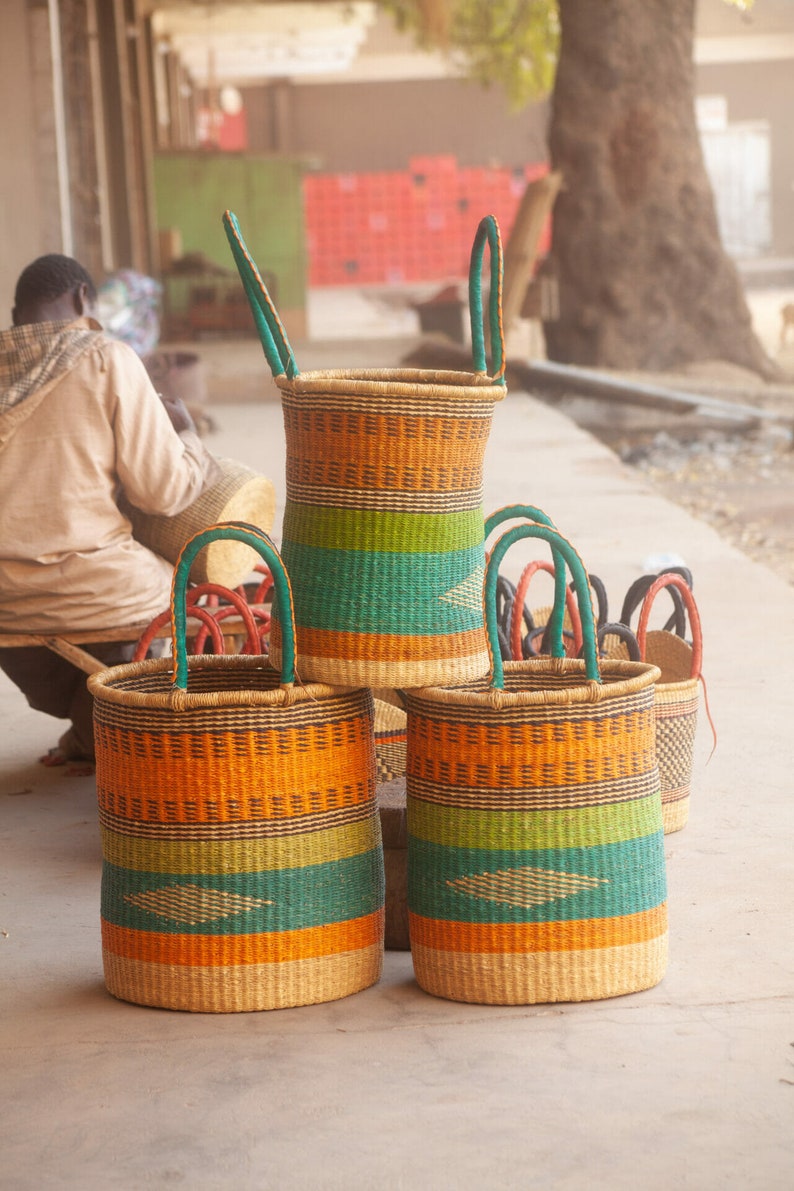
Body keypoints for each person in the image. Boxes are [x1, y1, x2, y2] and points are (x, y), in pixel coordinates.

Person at [0, 253, 222, 765]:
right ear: (83, 300)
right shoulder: (105, 358)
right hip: (94, 592)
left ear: (17, 312)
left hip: (7, 607)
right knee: (200, 593)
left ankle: (90, 720)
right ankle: (120, 721)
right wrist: (187, 436)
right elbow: (163, 492)